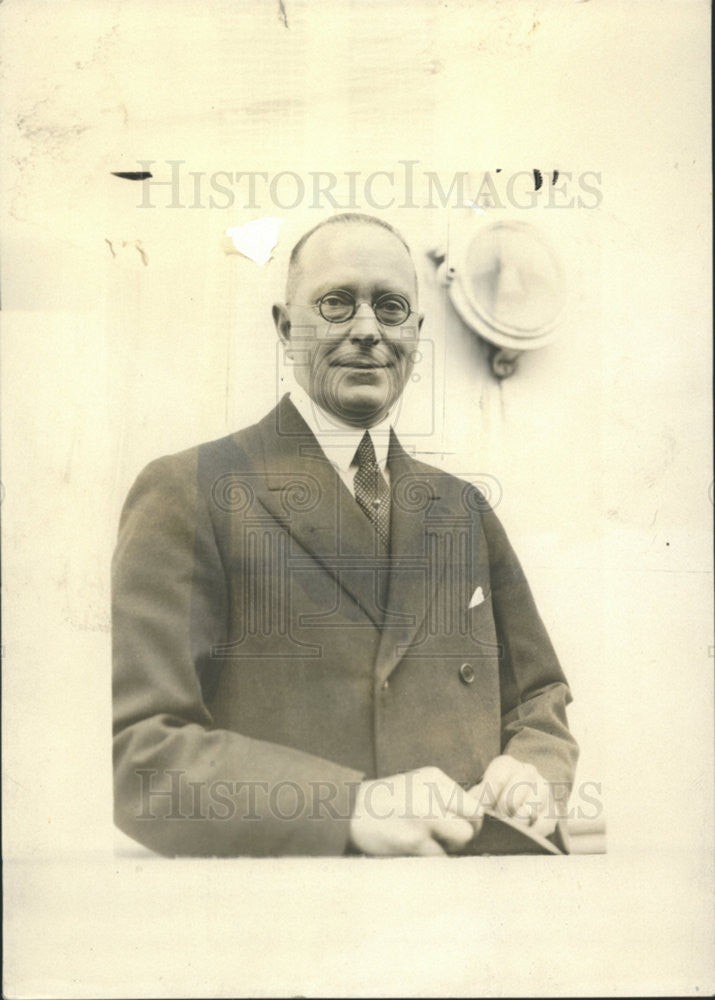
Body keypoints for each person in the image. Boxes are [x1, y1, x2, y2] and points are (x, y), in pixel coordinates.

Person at [112, 212, 578, 857]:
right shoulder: (190, 490)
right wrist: (350, 807)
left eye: (391, 309)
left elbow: (538, 697)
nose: (367, 328)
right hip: (293, 916)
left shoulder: (461, 508)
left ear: (415, 336)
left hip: (474, 909)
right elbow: (146, 758)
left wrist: (534, 771)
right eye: (336, 303)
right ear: (285, 327)